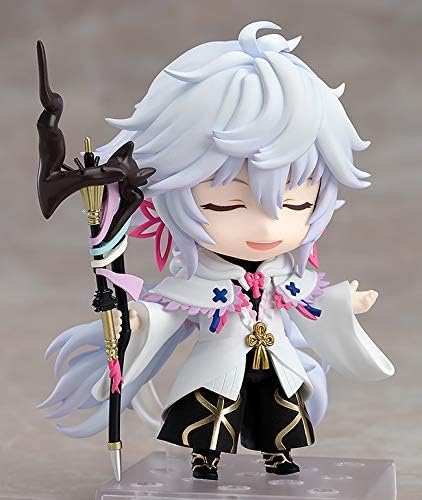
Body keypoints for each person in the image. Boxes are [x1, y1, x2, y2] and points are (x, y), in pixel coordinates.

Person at [39, 21, 394, 480]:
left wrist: (347, 301)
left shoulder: (283, 275)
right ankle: (204, 457)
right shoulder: (200, 280)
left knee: (280, 407)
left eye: (297, 204)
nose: (267, 225)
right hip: (217, 363)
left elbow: (311, 305)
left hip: (275, 360)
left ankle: (277, 453)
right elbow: (170, 313)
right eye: (226, 204)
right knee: (210, 410)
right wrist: (138, 317)